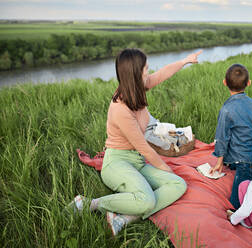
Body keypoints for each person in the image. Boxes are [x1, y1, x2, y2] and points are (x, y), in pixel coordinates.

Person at [68, 48, 202, 236]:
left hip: (137, 162)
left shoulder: (138, 88)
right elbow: (145, 148)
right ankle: (91, 203)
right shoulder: (120, 109)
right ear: (134, 73)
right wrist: (166, 169)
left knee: (178, 184)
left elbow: (162, 74)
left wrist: (185, 61)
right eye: (145, 68)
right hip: (117, 163)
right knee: (147, 200)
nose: (148, 71)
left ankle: (124, 218)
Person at [210, 63, 252, 209]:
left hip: (243, 159)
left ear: (224, 82)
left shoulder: (226, 109)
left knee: (236, 203)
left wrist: (219, 161)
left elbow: (222, 137)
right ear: (248, 83)